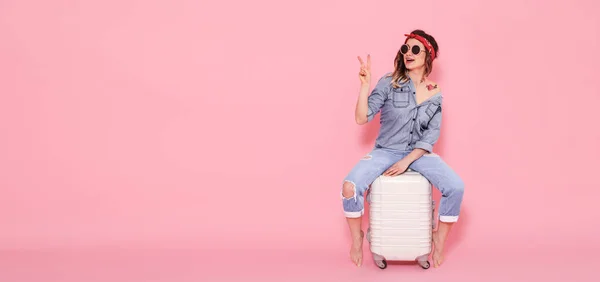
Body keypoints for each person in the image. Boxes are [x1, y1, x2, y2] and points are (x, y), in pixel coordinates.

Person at [341, 29, 465, 268]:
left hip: (418, 154)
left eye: (415, 49)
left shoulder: (434, 92)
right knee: (350, 186)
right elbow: (361, 117)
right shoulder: (389, 82)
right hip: (386, 150)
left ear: (428, 56)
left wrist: (407, 160)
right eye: (405, 48)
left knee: (455, 187)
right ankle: (356, 238)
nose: (408, 53)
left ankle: (439, 238)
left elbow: (431, 135)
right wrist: (365, 85)